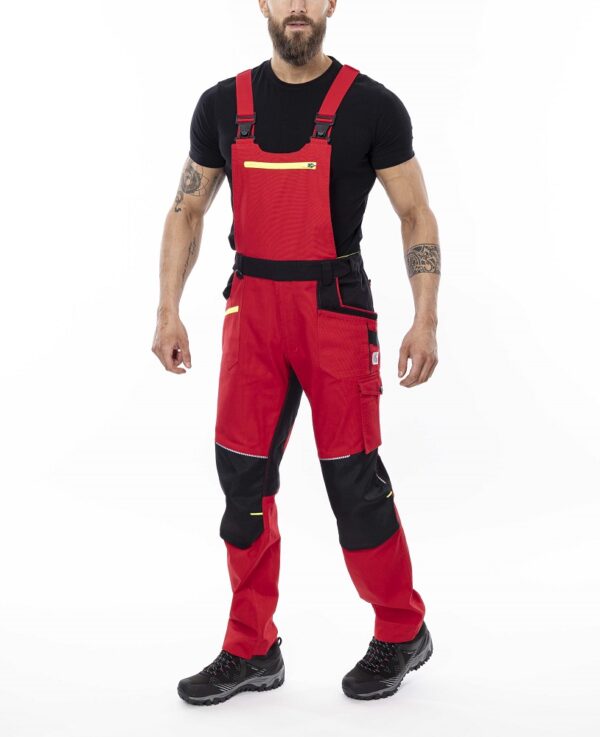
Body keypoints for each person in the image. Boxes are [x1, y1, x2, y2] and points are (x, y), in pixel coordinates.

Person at [152, 0, 440, 706]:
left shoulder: (372, 106)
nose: (299, 7)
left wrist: (426, 317)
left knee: (354, 482)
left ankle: (402, 628)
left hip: (334, 309)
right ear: (264, 4)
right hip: (251, 312)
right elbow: (187, 209)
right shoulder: (223, 106)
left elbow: (415, 213)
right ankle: (251, 647)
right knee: (242, 483)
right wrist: (167, 308)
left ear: (332, 3)